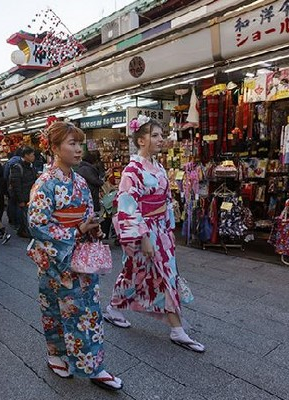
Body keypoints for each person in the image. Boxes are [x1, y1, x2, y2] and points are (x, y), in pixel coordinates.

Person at [27, 122, 123, 390]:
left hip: (79, 257)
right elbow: (37, 225)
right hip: (55, 259)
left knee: (86, 311)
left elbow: (86, 214)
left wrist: (93, 230)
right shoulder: (44, 183)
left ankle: (94, 366)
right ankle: (55, 353)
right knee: (54, 310)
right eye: (72, 143)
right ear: (55, 148)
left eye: (80, 143)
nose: (79, 149)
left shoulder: (79, 180)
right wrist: (77, 230)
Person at [104, 116, 205, 353]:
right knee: (159, 273)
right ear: (141, 140)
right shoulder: (132, 170)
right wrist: (144, 237)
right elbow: (127, 205)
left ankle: (114, 307)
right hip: (146, 230)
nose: (161, 139)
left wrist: (169, 228)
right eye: (156, 135)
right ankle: (177, 329)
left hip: (160, 228)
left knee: (141, 272)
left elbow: (166, 200)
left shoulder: (157, 166)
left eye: (162, 135)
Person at [9, 146, 37, 238]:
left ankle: (22, 230)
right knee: (25, 216)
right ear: (26, 155)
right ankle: (27, 232)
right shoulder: (18, 167)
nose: (34, 157)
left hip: (30, 195)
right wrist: (20, 199)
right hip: (24, 196)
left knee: (27, 215)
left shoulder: (31, 166)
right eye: (32, 155)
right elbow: (16, 185)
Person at [4, 148, 23, 228]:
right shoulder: (21, 162)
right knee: (18, 204)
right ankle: (18, 223)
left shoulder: (9, 162)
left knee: (11, 203)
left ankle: (12, 221)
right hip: (20, 185)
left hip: (10, 186)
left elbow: (5, 176)